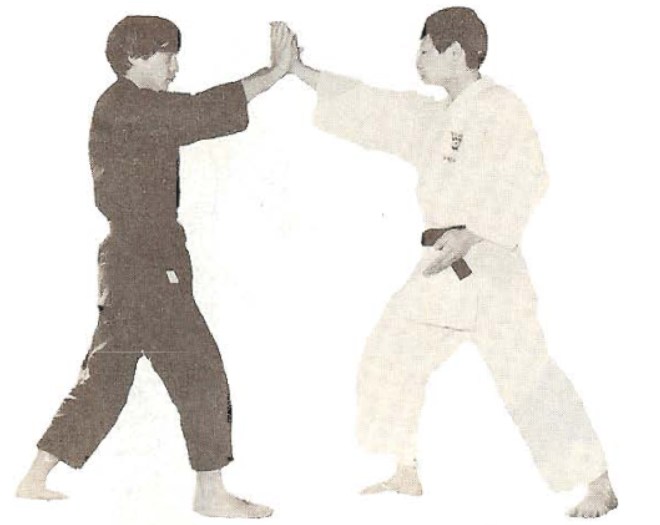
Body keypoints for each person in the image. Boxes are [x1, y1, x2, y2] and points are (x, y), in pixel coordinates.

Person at [285, 7, 618, 519]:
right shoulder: (440, 115)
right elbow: (374, 106)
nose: (417, 60)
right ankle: (404, 468)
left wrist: (474, 231)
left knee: (528, 377)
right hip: (442, 266)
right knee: (390, 351)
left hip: (491, 267)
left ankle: (598, 484)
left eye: (425, 50)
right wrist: (298, 70)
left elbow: (530, 176)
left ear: (455, 53)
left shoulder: (500, 107)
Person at [16, 16, 296, 519]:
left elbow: (191, 114)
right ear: (135, 57)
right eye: (168, 55)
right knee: (200, 373)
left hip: (134, 262)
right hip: (144, 264)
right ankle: (210, 493)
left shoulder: (128, 107)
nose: (175, 67)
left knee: (106, 377)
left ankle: (34, 478)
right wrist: (273, 74)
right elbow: (199, 113)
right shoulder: (126, 106)